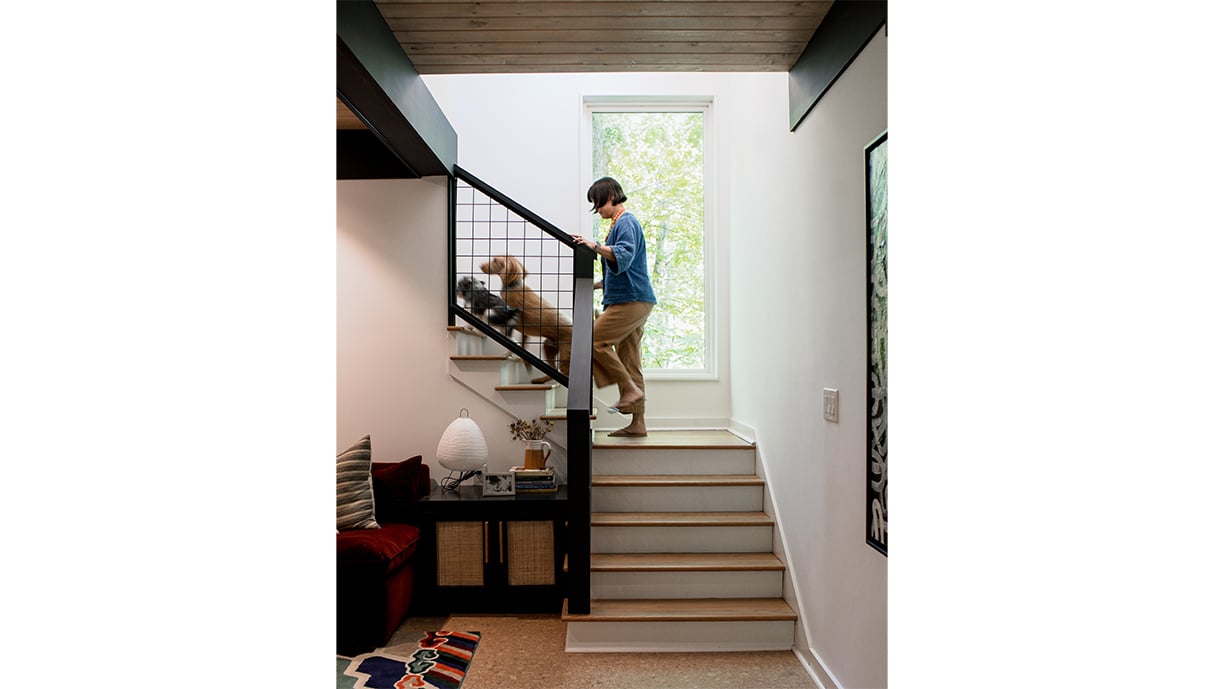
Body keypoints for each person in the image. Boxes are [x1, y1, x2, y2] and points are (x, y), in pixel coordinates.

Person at [572, 177, 656, 437]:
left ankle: (629, 390)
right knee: (630, 361)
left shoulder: (626, 222)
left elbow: (624, 254)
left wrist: (594, 245)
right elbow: (620, 270)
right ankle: (638, 424)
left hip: (631, 300)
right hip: (634, 298)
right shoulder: (618, 223)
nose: (597, 210)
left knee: (594, 339)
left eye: (597, 205)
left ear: (609, 196)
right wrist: (596, 285)